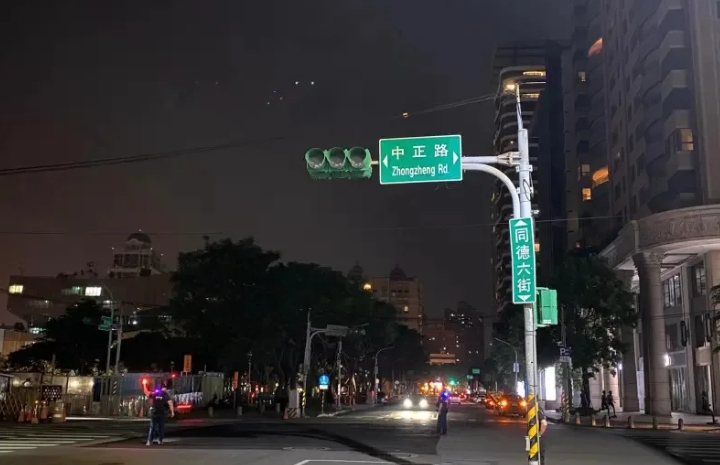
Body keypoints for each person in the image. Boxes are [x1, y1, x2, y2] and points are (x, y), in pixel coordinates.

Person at [144, 380, 175, 446]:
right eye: (165, 388)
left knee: (152, 427)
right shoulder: (165, 395)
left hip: (154, 412)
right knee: (161, 427)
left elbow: (146, 393)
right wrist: (172, 412)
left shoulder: (155, 393)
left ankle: (149, 441)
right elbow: (170, 403)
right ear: (163, 388)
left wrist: (144, 385)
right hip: (161, 413)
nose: (166, 389)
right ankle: (160, 441)